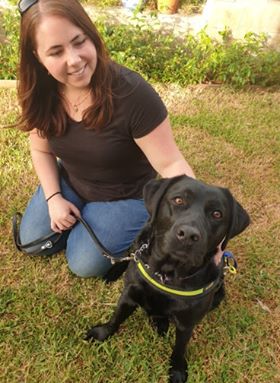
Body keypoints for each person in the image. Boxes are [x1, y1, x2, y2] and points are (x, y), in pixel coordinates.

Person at [16, 0, 196, 278]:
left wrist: (196, 219)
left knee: (83, 264)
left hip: (127, 196)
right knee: (32, 243)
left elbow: (172, 164)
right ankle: (85, 218)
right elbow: (41, 150)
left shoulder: (133, 94)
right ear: (37, 57)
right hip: (73, 182)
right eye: (56, 51)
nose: (74, 60)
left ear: (91, 35)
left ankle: (134, 225)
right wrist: (54, 198)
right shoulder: (42, 90)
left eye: (79, 41)